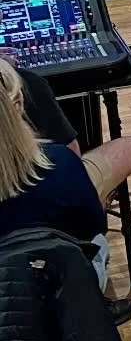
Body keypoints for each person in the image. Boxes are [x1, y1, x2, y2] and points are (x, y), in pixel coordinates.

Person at [0, 61, 106, 246]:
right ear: (17, 106)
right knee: (130, 148)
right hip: (61, 267)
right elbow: (93, 230)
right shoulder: (61, 162)